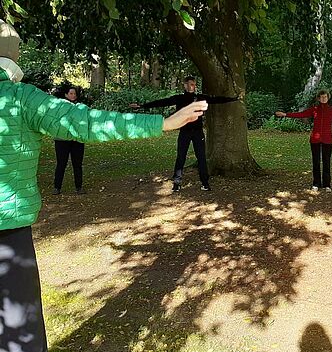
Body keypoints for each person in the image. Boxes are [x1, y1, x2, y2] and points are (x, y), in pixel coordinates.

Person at [0, 19, 208, 352]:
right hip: (9, 237)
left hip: (11, 235)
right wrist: (163, 123)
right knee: (20, 337)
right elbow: (86, 122)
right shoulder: (20, 98)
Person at [131, 76, 237, 192]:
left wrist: (234, 99)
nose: (192, 86)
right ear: (185, 85)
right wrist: (142, 106)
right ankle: (176, 183)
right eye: (190, 84)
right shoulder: (179, 98)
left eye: (193, 84)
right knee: (181, 157)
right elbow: (162, 102)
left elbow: (216, 99)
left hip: (198, 133)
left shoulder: (200, 98)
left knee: (201, 157)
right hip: (184, 132)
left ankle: (205, 183)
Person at [52, 86, 86, 195]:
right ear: (66, 95)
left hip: (77, 140)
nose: (73, 95)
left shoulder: (80, 107)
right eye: (71, 93)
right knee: (61, 163)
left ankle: (79, 187)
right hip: (62, 140)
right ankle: (57, 187)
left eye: (74, 94)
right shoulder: (59, 107)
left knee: (77, 164)